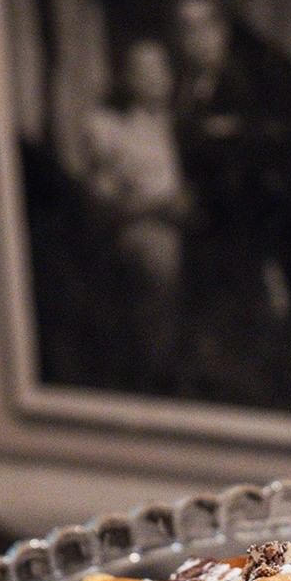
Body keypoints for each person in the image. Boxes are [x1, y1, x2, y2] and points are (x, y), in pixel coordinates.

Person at [84, 40, 190, 384]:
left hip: (198, 226)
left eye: (160, 68)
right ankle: (157, 377)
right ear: (126, 78)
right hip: (146, 228)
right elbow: (102, 207)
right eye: (142, 70)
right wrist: (160, 206)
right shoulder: (110, 129)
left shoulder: (186, 121)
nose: (153, 78)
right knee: (159, 256)